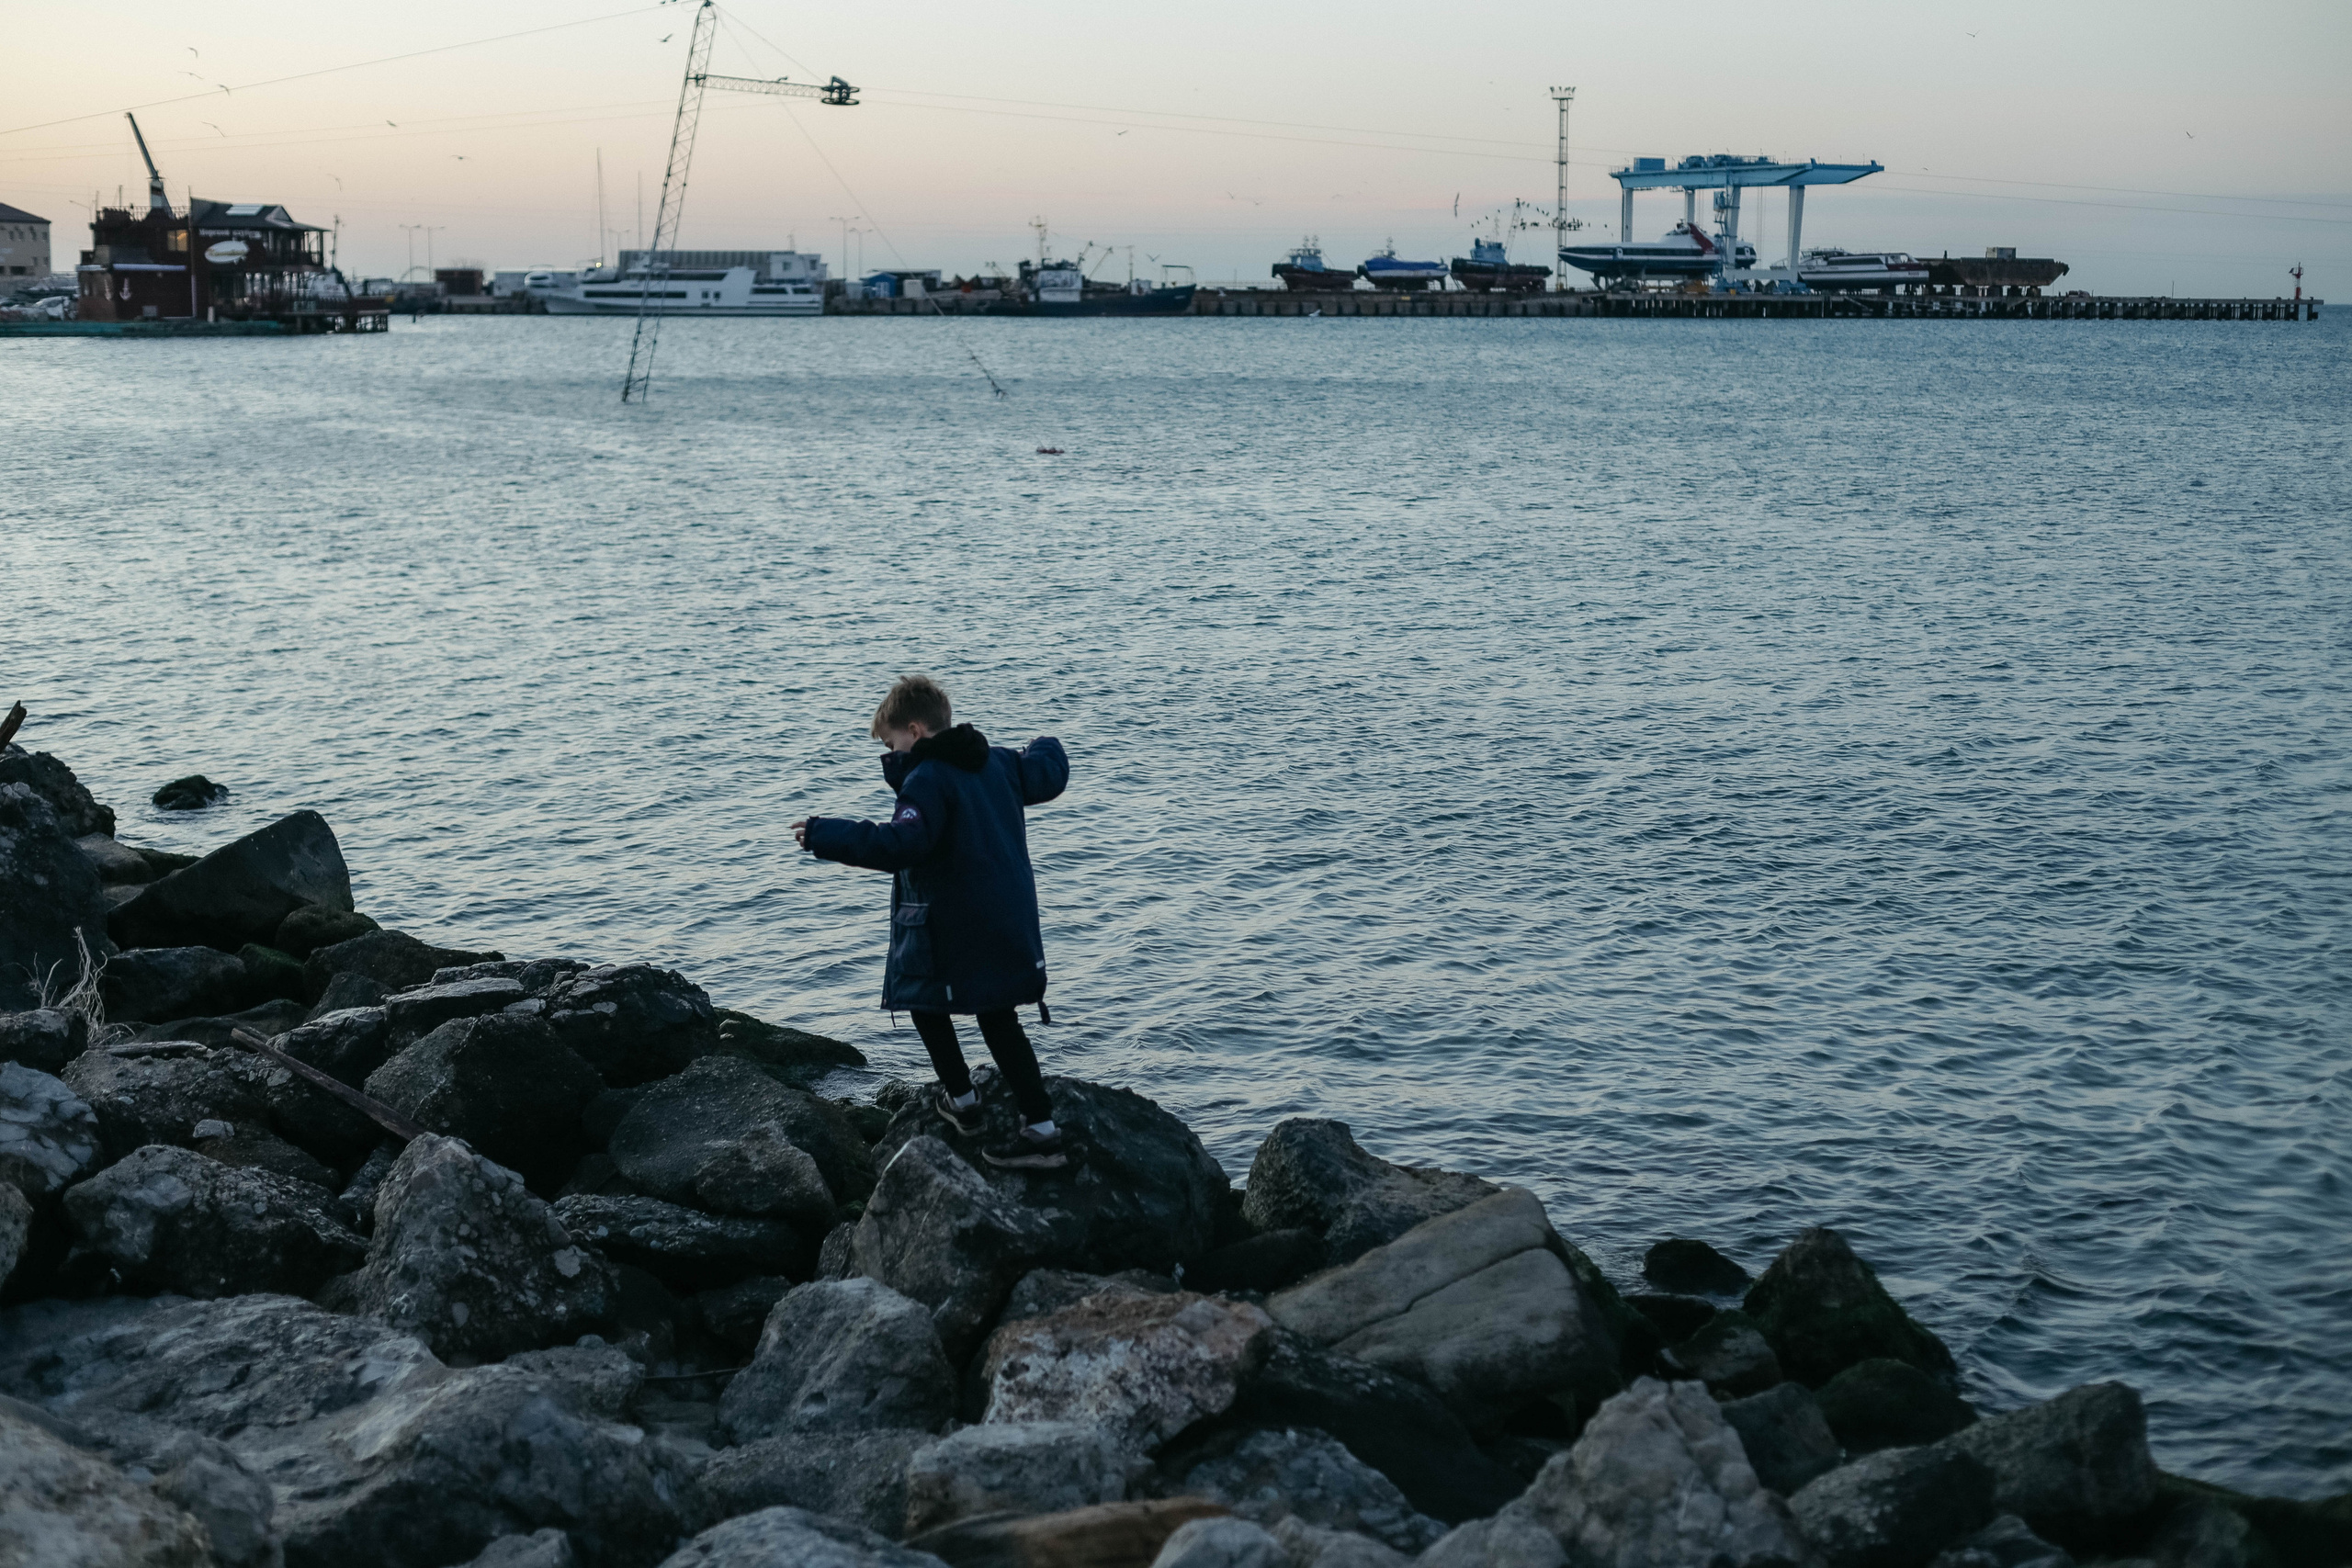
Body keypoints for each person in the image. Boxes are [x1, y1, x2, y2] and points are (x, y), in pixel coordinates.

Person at [792, 675, 1071, 1169]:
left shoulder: (926, 779)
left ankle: (962, 1101)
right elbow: (1047, 773)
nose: (891, 754)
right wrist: (1044, 742)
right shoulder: (1001, 762)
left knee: (922, 999)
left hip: (951, 921)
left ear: (916, 731)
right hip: (1008, 916)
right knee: (998, 1015)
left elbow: (901, 845)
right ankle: (1042, 1128)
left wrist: (823, 834)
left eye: (891, 743)